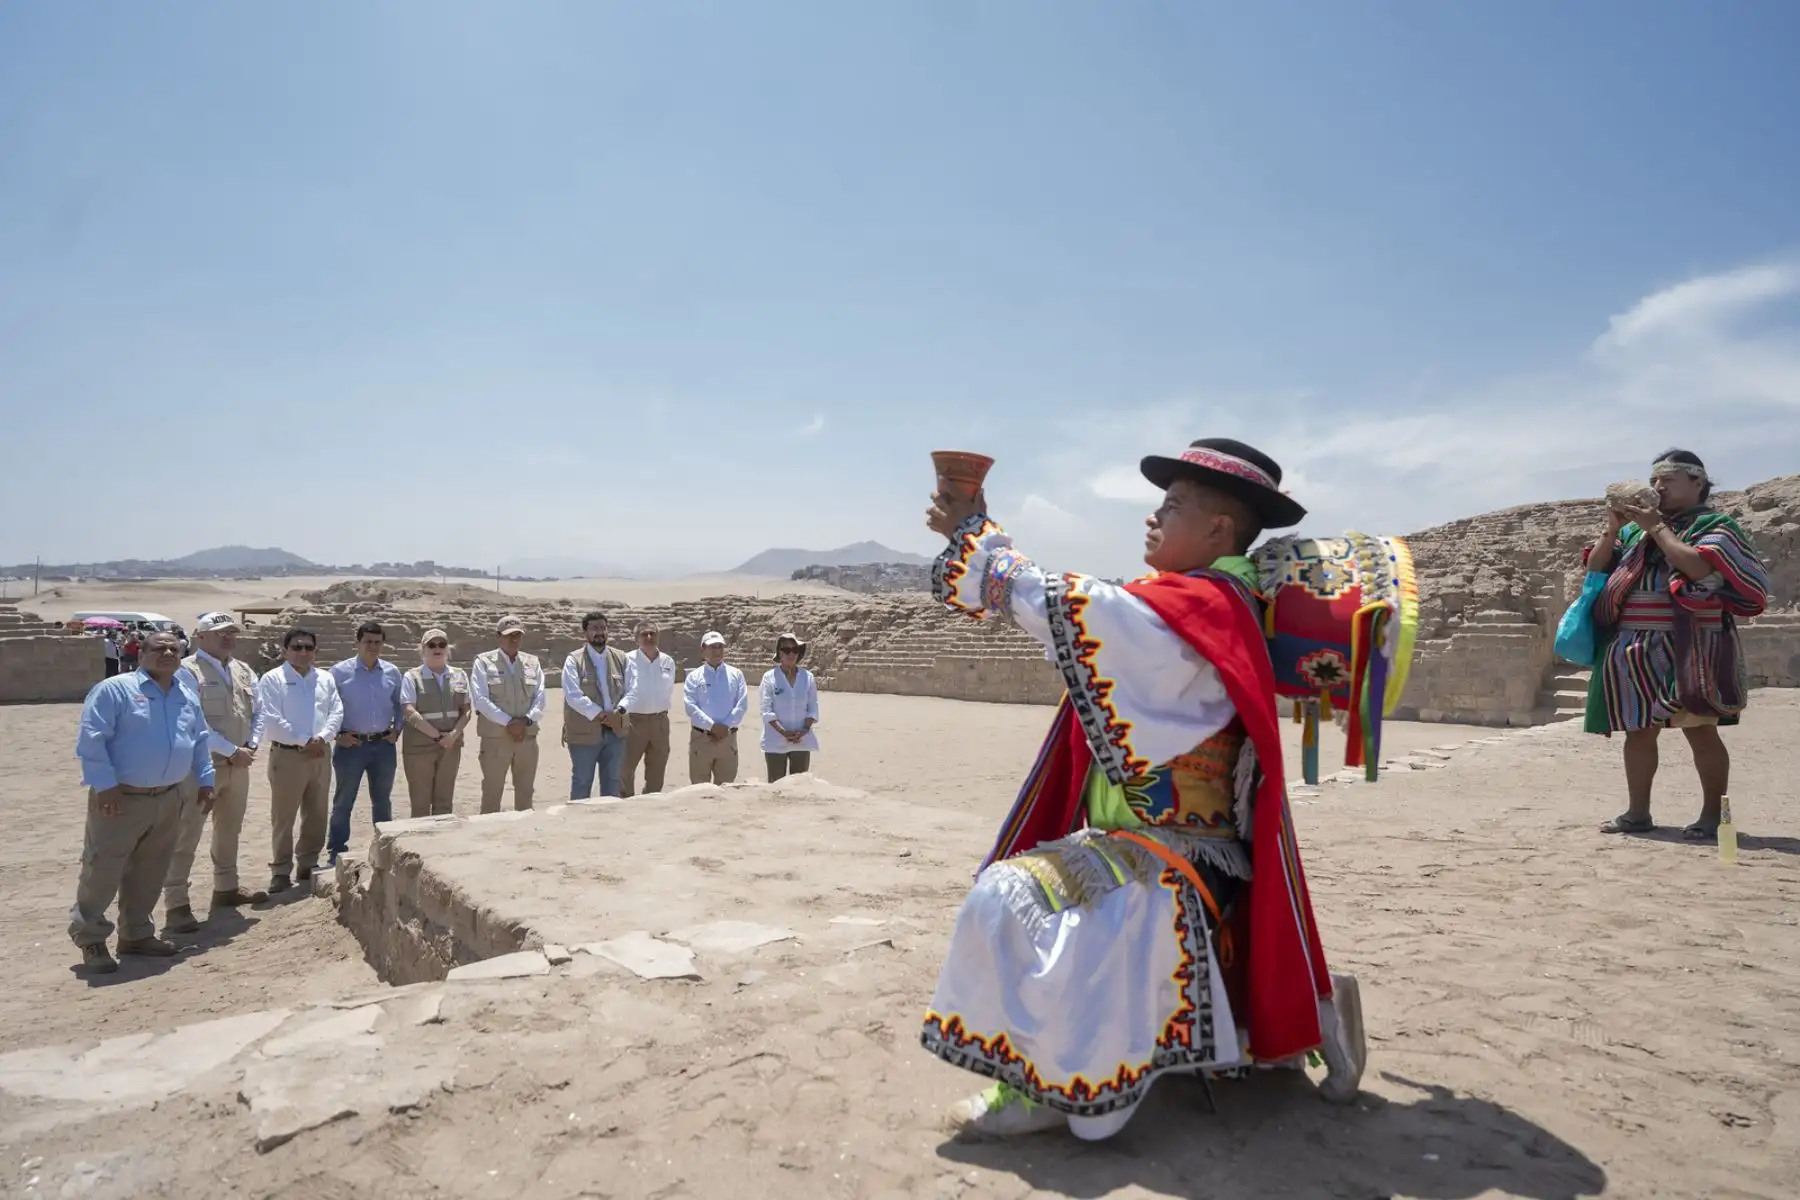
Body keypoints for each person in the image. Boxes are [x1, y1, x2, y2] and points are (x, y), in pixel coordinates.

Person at [916, 437, 1364, 1140]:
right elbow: (1086, 622)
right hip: (1143, 839)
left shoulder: (1206, 606)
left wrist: (977, 535)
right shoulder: (1191, 604)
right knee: (1020, 895)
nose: (1153, 518)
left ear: (1219, 530)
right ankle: (1054, 1072)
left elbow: (1073, 607)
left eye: (1174, 506)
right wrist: (979, 531)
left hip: (1184, 850)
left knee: (1015, 900)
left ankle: (1061, 1087)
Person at [1590, 449, 1768, 839]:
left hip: (1691, 644)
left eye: (1667, 480)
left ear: (1697, 483)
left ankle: (1713, 817)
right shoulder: (1633, 531)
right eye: (1654, 480)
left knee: (1700, 730)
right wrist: (1613, 526)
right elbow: (1596, 567)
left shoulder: (1716, 524)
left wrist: (1657, 528)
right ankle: (1637, 814)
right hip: (1633, 646)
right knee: (1638, 730)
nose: (1657, 487)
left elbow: (1697, 566)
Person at [70, 630, 215, 973]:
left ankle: (136, 934)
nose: (166, 652)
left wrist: (206, 781)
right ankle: (91, 938)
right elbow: (92, 739)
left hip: (169, 796)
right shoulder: (116, 690)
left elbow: (199, 740)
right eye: (158, 647)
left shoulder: (185, 692)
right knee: (102, 868)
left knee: (151, 870)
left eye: (173, 648)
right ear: (140, 652)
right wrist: (104, 785)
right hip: (120, 798)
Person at [161, 612, 268, 935]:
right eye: (220, 633)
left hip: (239, 762)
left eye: (232, 633)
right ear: (201, 636)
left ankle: (226, 887)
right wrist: (231, 750)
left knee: (229, 829)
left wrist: (250, 745)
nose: (228, 638)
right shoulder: (188, 671)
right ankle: (176, 903)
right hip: (201, 767)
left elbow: (258, 711)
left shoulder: (243, 670)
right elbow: (194, 722)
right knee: (187, 833)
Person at [256, 627, 343, 892]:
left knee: (316, 812)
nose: (303, 652)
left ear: (315, 651)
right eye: (297, 647)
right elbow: (272, 718)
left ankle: (308, 863)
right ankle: (281, 870)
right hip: (288, 754)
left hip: (320, 753)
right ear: (285, 651)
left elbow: (336, 711)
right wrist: (305, 740)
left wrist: (323, 737)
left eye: (308, 647)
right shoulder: (273, 679)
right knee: (284, 816)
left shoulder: (325, 678)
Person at [327, 620, 405, 864]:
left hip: (383, 745)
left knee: (382, 800)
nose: (373, 646)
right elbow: (327, 706)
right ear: (357, 642)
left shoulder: (392, 672)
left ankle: (384, 847)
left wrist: (397, 730)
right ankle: (337, 850)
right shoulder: (339, 672)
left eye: (377, 642)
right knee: (343, 800)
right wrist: (338, 734)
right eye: (368, 642)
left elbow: (400, 705)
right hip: (351, 745)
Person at [470, 615, 546, 812]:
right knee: (492, 792)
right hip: (496, 738)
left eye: (517, 636)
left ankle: (525, 838)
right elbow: (480, 700)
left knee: (526, 792)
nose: (514, 640)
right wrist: (509, 723)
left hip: (526, 737)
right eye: (509, 636)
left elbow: (540, 697)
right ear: (498, 636)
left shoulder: (532, 662)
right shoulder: (484, 662)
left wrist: (526, 721)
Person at [398, 629, 471, 817]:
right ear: (422, 649)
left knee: (444, 802)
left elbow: (467, 710)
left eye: (442, 644)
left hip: (450, 746)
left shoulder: (459, 675)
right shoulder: (412, 677)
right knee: (420, 803)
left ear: (448, 648)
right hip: (420, 748)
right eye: (432, 645)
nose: (437, 648)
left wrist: (453, 735)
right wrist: (438, 736)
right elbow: (408, 710)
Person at [561, 611, 630, 799]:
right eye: (594, 628)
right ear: (585, 633)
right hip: (585, 733)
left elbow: (633, 689)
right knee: (582, 781)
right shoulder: (574, 660)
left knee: (613, 781)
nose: (599, 632)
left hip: (615, 731)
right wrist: (601, 715)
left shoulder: (621, 658)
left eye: (603, 627)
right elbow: (573, 695)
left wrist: (620, 710)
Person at [620, 620, 678, 797]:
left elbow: (668, 689)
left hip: (659, 722)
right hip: (633, 721)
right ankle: (625, 802)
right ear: (636, 639)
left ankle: (650, 802)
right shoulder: (626, 660)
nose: (649, 637)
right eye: (644, 634)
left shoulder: (667, 661)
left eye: (652, 633)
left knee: (657, 768)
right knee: (625, 768)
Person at [683, 630, 748, 785]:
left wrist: (725, 727)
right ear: (703, 649)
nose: (716, 651)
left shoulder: (736, 674)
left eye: (719, 646)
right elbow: (690, 707)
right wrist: (712, 727)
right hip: (702, 739)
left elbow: (742, 704)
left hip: (728, 739)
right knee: (699, 789)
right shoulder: (694, 677)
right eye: (712, 647)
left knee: (727, 788)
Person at [759, 632, 819, 781]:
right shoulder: (769, 677)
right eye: (786, 650)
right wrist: (783, 732)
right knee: (776, 784)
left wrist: (804, 730)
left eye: (795, 650)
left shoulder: (808, 677)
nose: (791, 654)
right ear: (779, 652)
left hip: (801, 740)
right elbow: (766, 710)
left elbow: (812, 708)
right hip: (775, 740)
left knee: (799, 786)